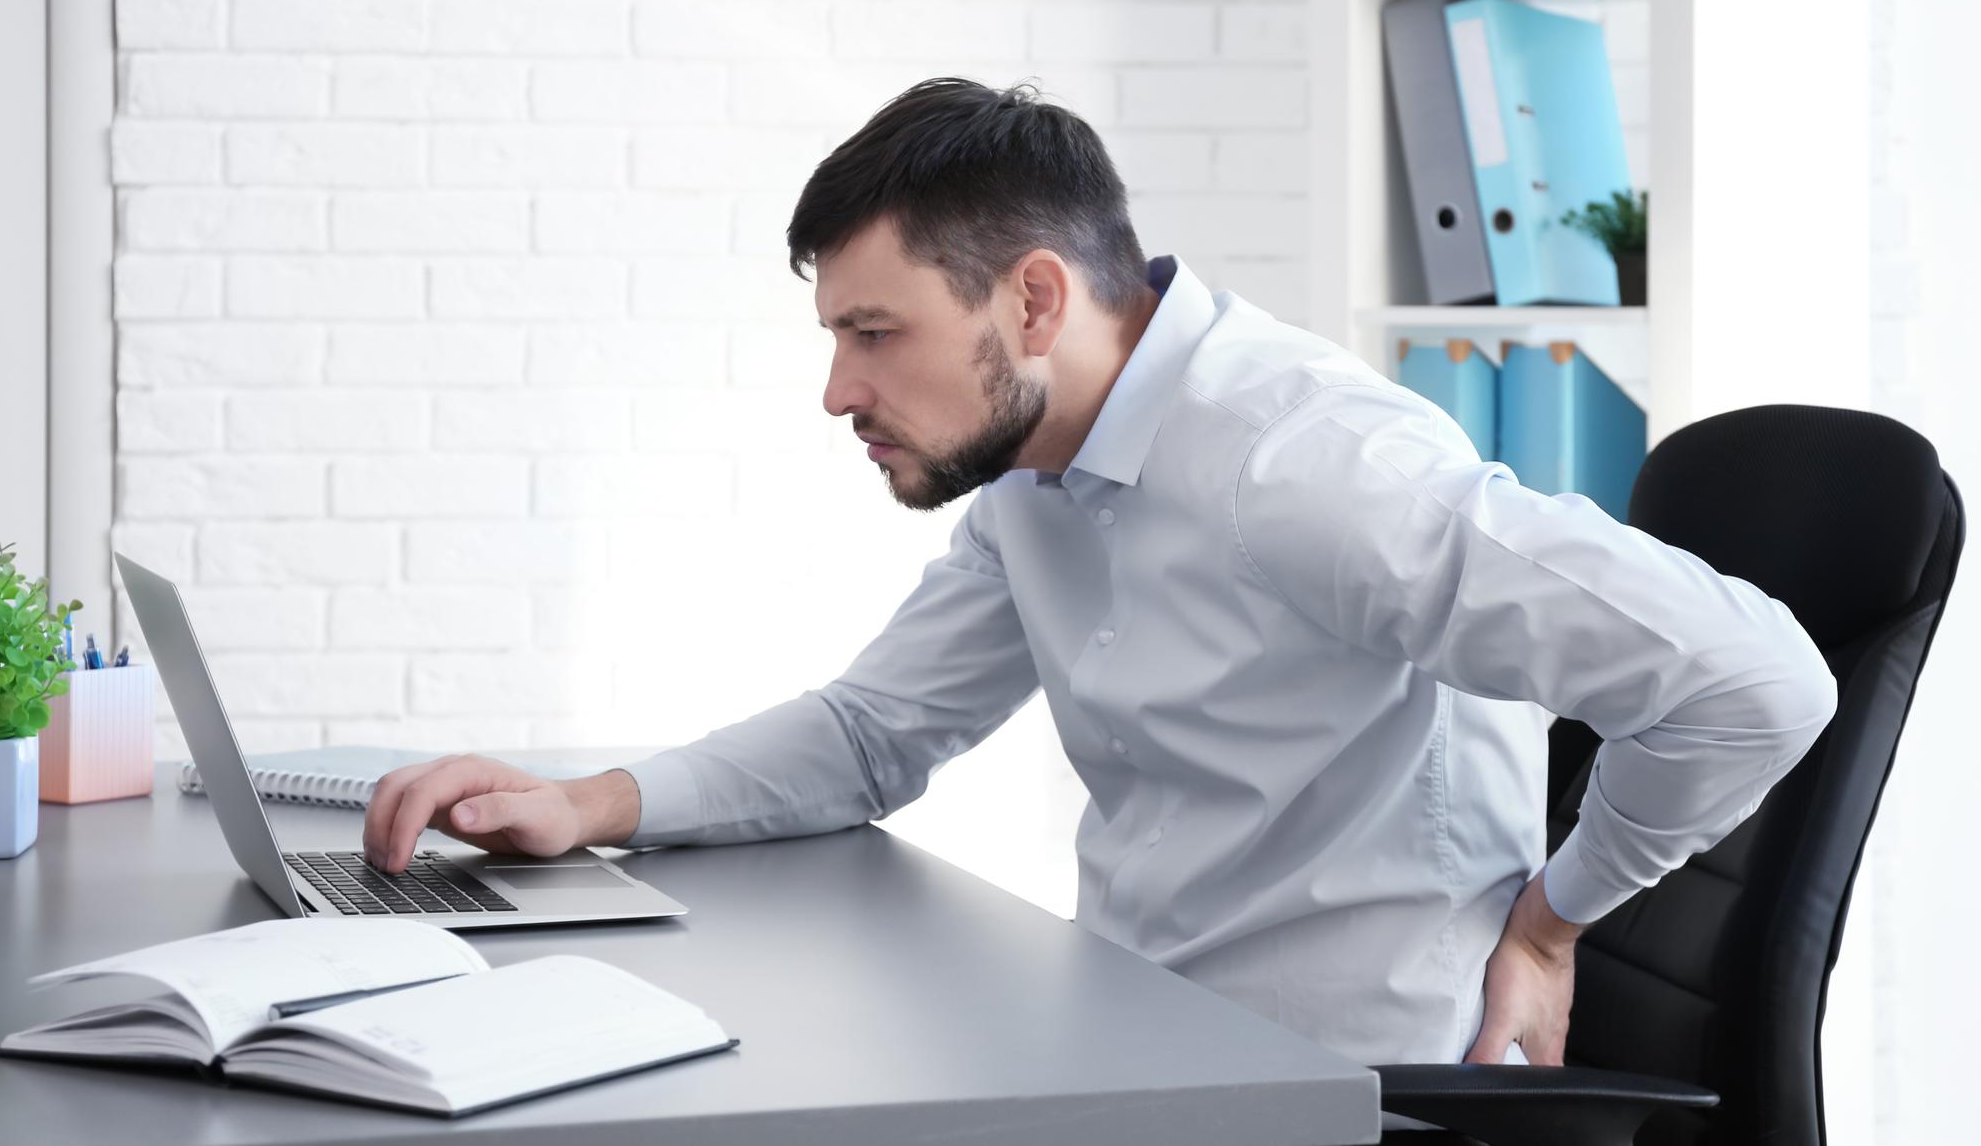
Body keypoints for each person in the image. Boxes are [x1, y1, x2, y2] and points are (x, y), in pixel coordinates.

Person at [360, 77, 1836, 1069]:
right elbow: (878, 733)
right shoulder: (1042, 472)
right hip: (1146, 1043)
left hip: (1353, 1086)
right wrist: (590, 807)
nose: (837, 392)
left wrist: (1556, 917)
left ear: (1035, 299)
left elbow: (1754, 681)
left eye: (873, 335)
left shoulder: (1312, 470)